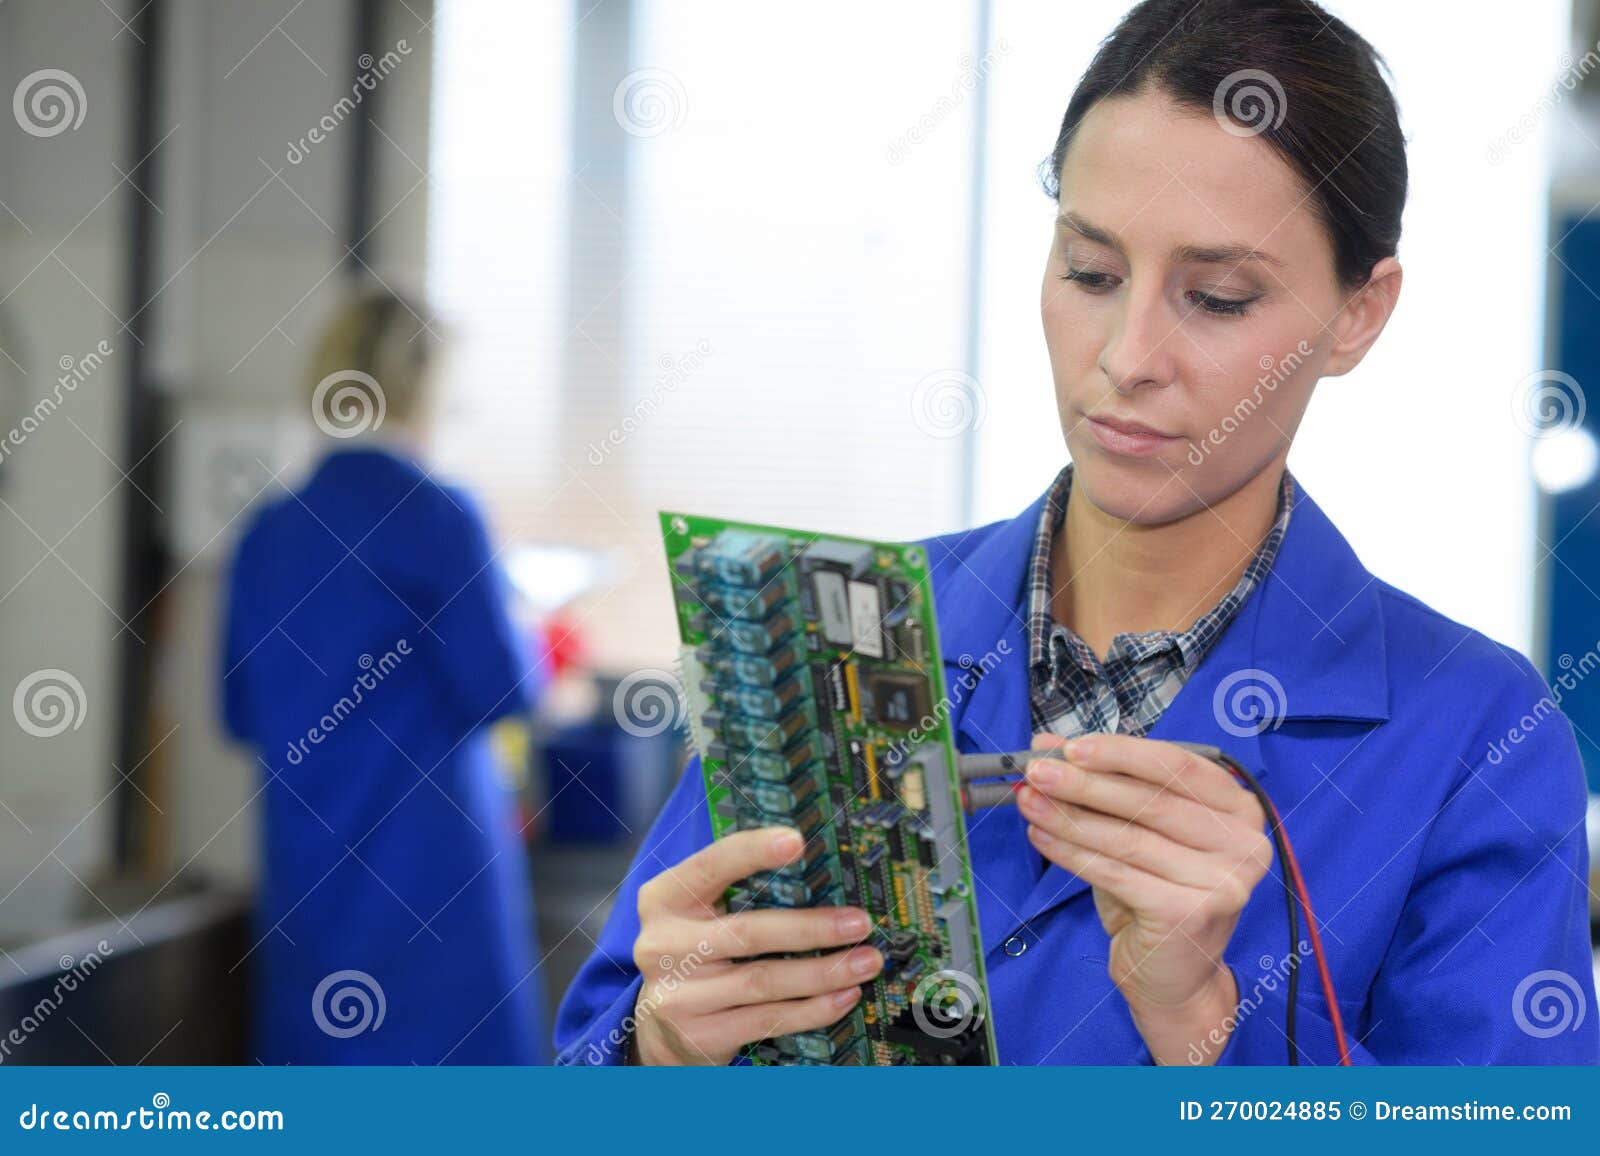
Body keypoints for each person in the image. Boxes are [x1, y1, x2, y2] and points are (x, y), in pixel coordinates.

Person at [553, 0, 1599, 1066]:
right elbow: (589, 1067)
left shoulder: (1474, 737)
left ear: (1358, 314)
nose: (1128, 356)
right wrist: (656, 1052)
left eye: (1218, 297)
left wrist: (1205, 1022)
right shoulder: (826, 634)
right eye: (1091, 273)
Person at [220, 288, 550, 1064]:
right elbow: (506, 688)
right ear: (427, 387)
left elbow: (237, 710)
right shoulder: (440, 517)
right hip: (432, 886)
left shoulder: (269, 531)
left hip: (307, 880)